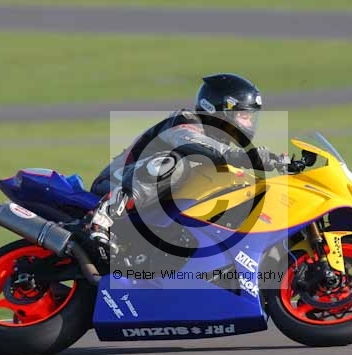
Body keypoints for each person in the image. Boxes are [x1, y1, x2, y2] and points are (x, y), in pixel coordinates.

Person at [84, 73, 280, 262]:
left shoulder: (220, 147)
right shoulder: (185, 120)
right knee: (177, 163)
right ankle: (103, 217)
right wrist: (240, 156)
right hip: (115, 182)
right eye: (244, 115)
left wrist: (279, 162)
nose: (249, 123)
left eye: (251, 117)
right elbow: (192, 141)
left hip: (153, 205)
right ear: (218, 109)